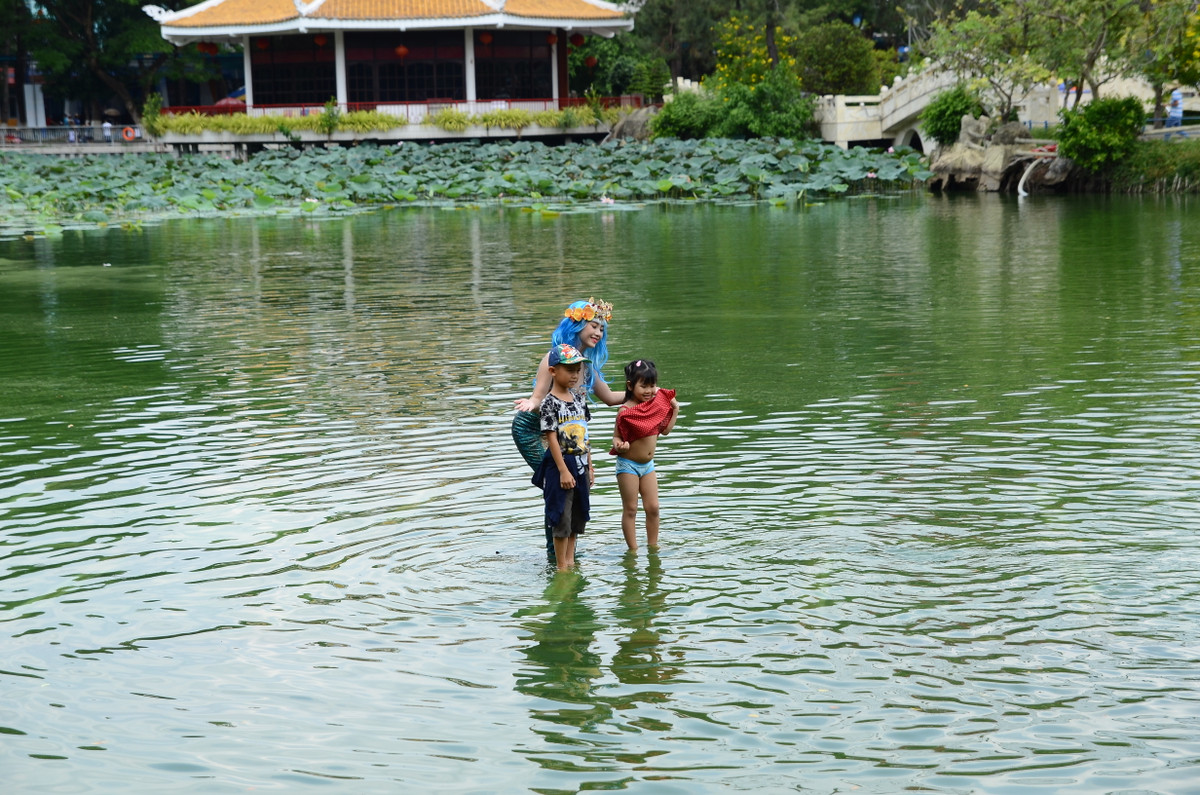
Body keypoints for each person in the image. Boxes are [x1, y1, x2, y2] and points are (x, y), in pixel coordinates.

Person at [513, 297, 620, 472]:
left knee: (576, 478)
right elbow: (538, 398)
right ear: (575, 326)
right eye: (593, 326)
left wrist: (643, 393)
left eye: (601, 329)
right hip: (531, 429)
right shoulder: (553, 358)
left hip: (564, 426)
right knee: (555, 479)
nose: (598, 333)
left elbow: (609, 398)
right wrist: (531, 403)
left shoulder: (585, 366)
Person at [532, 344, 594, 570]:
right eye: (569, 370)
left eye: (578, 370)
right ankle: (561, 566)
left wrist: (590, 465)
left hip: (580, 464)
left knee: (577, 517)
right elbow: (552, 439)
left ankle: (570, 561)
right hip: (561, 465)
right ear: (553, 371)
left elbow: (585, 434)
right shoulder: (550, 402)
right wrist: (563, 471)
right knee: (561, 517)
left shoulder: (578, 398)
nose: (575, 374)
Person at [610, 359, 679, 552]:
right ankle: (633, 550)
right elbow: (616, 437)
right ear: (631, 386)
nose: (649, 391)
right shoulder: (625, 410)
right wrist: (620, 445)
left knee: (653, 507)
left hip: (648, 466)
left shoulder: (655, 406)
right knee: (631, 509)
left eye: (652, 386)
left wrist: (675, 410)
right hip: (628, 465)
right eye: (644, 386)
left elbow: (665, 431)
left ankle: (653, 546)